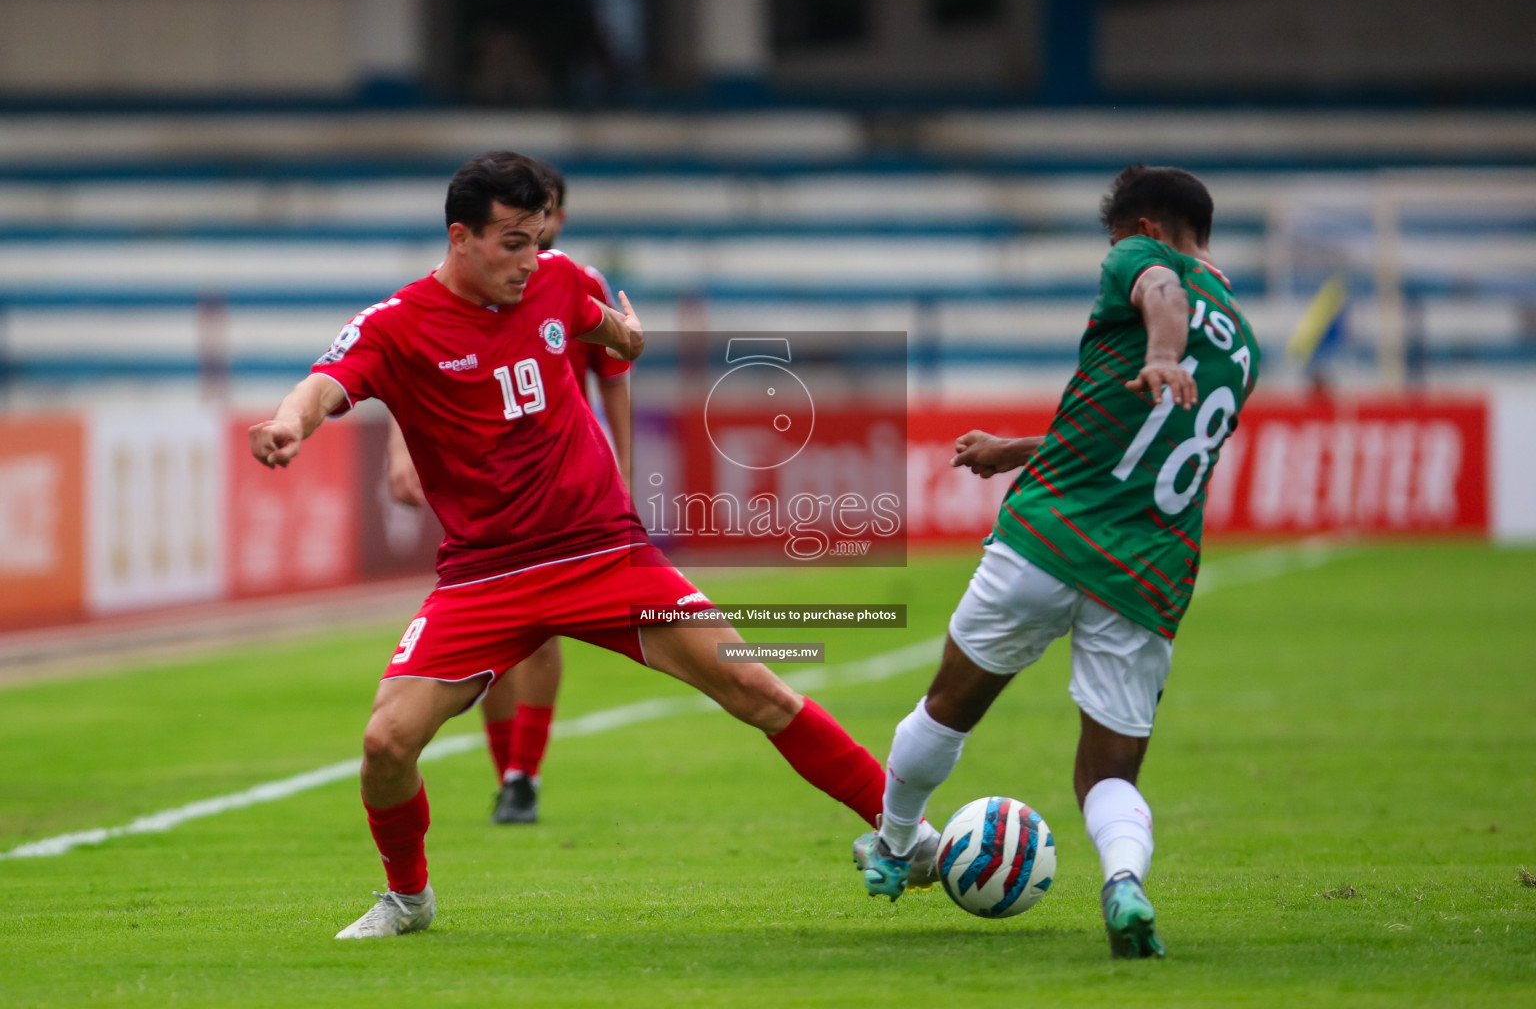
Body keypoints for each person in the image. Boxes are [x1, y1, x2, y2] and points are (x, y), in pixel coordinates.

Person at [251, 151, 913, 939]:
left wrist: (627, 339)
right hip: (484, 576)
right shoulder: (398, 324)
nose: (530, 261)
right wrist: (292, 424)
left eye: (537, 239)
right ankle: (408, 898)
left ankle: (908, 834)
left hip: (603, 552)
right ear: (461, 238)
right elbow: (326, 381)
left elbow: (605, 332)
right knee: (385, 743)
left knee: (759, 689)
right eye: (511, 243)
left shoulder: (561, 279)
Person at [851, 165, 1261, 959]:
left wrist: (1164, 347)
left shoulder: (1143, 266)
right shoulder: (1245, 343)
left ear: (1143, 231)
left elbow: (1163, 303)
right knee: (1109, 775)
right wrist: (1017, 448)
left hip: (1050, 538)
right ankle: (1124, 884)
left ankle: (897, 847)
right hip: (1148, 572)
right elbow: (1141, 438)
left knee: (947, 706)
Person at [384, 159, 632, 826]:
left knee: (543, 631)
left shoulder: (571, 280)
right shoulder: (455, 296)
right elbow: (412, 375)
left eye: (544, 216)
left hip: (562, 474)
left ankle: (524, 772)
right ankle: (507, 771)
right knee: (493, 641)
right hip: (486, 478)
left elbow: (614, 371)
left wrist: (625, 470)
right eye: (521, 224)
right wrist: (398, 448)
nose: (536, 232)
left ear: (558, 217)